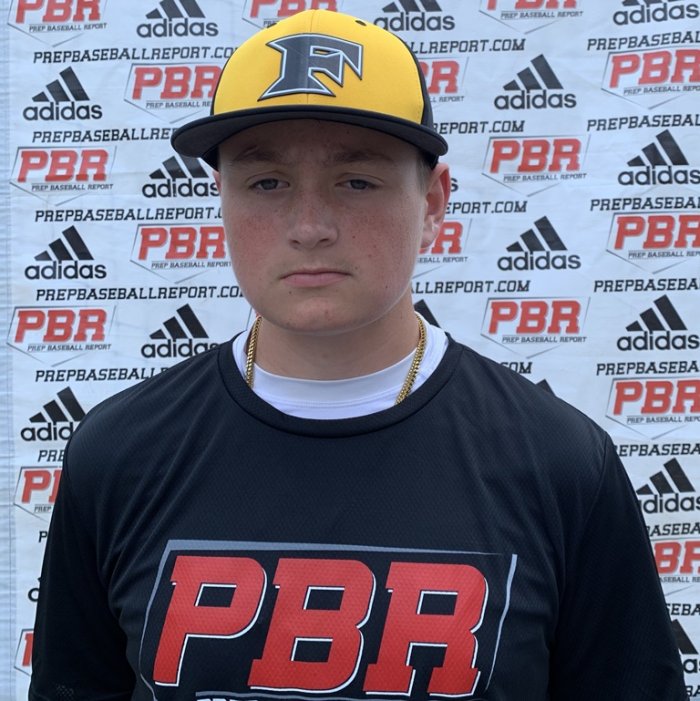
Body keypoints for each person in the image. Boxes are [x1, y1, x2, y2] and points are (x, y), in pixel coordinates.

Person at [30, 9, 686, 701]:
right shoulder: (120, 452)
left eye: (357, 182)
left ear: (433, 202)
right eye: (267, 183)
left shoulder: (561, 463)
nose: (309, 227)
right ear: (221, 199)